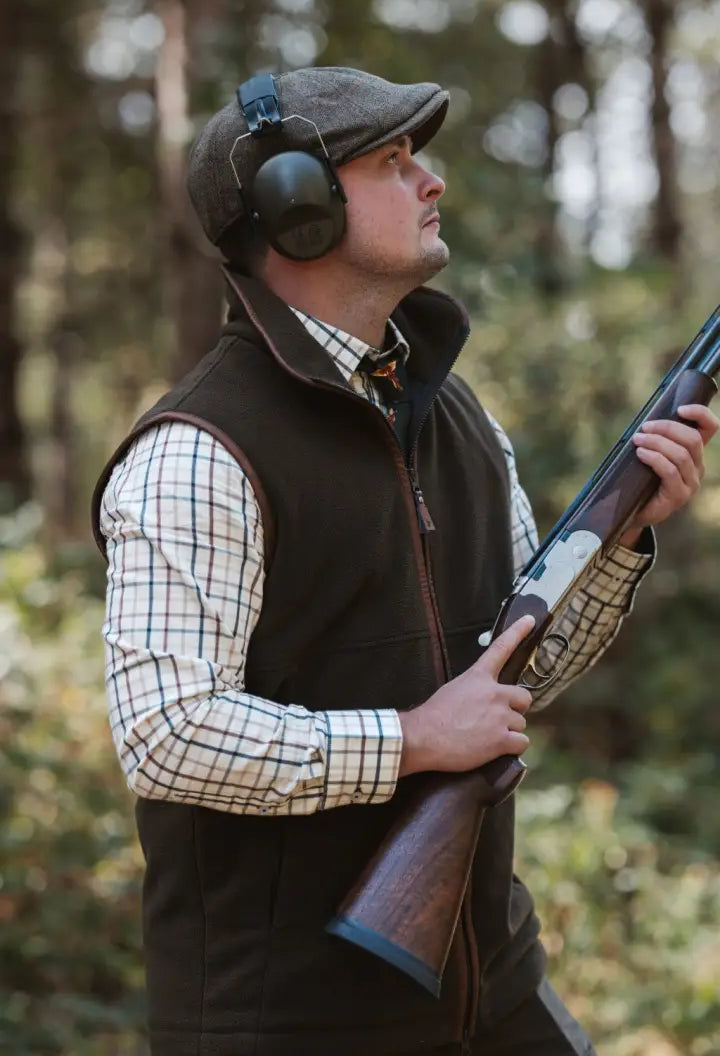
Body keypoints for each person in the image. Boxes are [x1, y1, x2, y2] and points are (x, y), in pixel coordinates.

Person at [91, 67, 717, 1056]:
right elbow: (167, 734)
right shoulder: (201, 449)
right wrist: (414, 740)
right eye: (392, 161)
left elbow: (523, 668)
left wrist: (627, 533)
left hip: (492, 990)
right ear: (298, 208)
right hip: (292, 1024)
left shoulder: (459, 418)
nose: (431, 182)